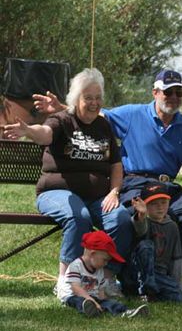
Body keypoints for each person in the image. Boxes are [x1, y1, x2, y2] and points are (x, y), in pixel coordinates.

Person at [35, 70, 182, 293]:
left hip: (167, 186)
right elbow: (92, 114)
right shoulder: (132, 114)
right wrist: (61, 108)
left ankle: (175, 279)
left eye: (178, 92)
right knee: (142, 216)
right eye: (168, 92)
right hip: (135, 183)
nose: (174, 97)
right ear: (155, 92)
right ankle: (134, 276)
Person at [3, 68, 133, 295]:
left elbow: (116, 165)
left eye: (98, 98)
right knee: (78, 216)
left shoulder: (103, 127)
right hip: (55, 193)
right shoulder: (61, 120)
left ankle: (107, 279)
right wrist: (28, 131)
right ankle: (65, 281)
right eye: (88, 98)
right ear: (76, 99)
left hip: (96, 198)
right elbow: (45, 133)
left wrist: (114, 191)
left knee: (121, 218)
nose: (94, 103)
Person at [57, 230, 149, 318]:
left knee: (109, 302)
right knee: (78, 301)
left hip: (92, 298)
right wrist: (91, 301)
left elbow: (100, 291)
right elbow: (76, 289)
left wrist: (103, 301)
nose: (106, 263)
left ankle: (126, 311)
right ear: (92, 254)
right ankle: (89, 309)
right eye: (105, 260)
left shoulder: (99, 270)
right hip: (73, 296)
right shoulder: (76, 266)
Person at [123, 182, 182, 302]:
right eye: (153, 204)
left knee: (178, 297)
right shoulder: (143, 221)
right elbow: (140, 229)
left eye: (163, 203)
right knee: (146, 246)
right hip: (137, 273)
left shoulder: (172, 226)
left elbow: (177, 258)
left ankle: (153, 293)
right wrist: (141, 213)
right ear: (144, 205)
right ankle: (145, 290)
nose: (160, 207)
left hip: (159, 275)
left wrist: (178, 284)